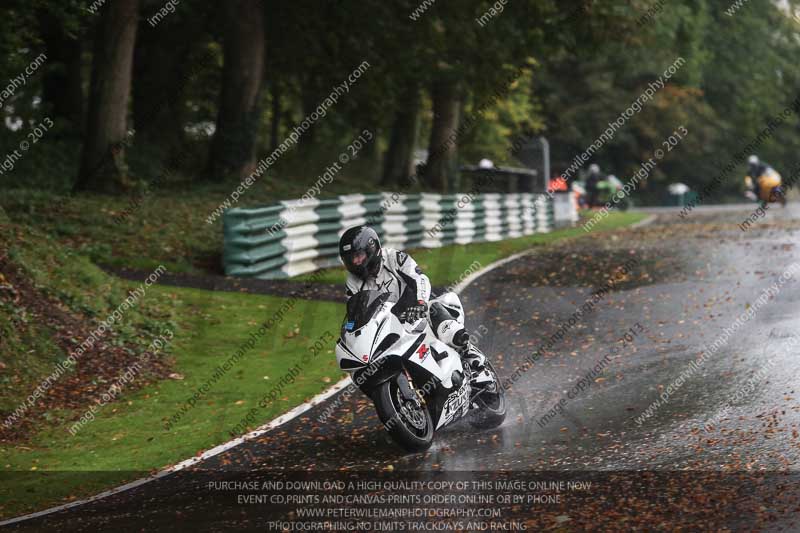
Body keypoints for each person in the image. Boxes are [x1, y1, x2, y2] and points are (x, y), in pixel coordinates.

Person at [338, 226, 486, 375]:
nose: (355, 262)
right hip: (388, 325)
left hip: (414, 310)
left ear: (372, 249)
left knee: (434, 311)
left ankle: (468, 352)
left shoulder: (393, 257)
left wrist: (420, 303)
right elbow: (356, 312)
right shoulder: (352, 282)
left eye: (358, 256)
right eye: (351, 259)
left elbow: (419, 278)